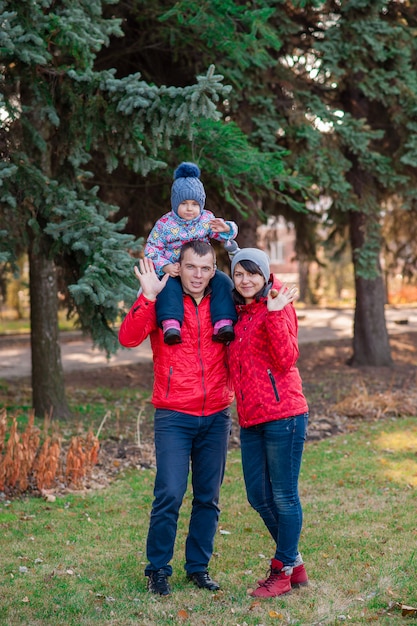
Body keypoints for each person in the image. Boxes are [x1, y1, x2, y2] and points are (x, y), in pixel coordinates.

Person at [118, 240, 234, 596]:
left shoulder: (224, 302)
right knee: (169, 492)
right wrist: (148, 298)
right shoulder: (165, 300)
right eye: (191, 267)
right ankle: (157, 570)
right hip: (173, 414)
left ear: (212, 270)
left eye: (205, 268)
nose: (197, 275)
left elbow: (259, 295)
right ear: (178, 267)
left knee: (207, 497)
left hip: (216, 413)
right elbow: (128, 338)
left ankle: (198, 567)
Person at [228, 247, 309, 598]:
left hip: (284, 414)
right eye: (239, 274)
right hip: (251, 418)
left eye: (252, 273)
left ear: (264, 275)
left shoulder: (278, 304)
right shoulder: (240, 314)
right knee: (257, 496)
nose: (246, 280)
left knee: (284, 496)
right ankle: (295, 562)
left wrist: (275, 314)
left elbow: (287, 357)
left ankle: (283, 570)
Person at [145, 161, 238, 345]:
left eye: (195, 204)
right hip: (175, 270)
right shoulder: (165, 224)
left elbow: (222, 235)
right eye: (184, 203)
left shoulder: (206, 219)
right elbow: (151, 249)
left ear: (201, 204)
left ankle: (223, 322)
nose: (189, 208)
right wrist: (165, 265)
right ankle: (171, 324)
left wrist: (227, 228)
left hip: (201, 268)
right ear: (174, 203)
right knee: (168, 288)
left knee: (222, 282)